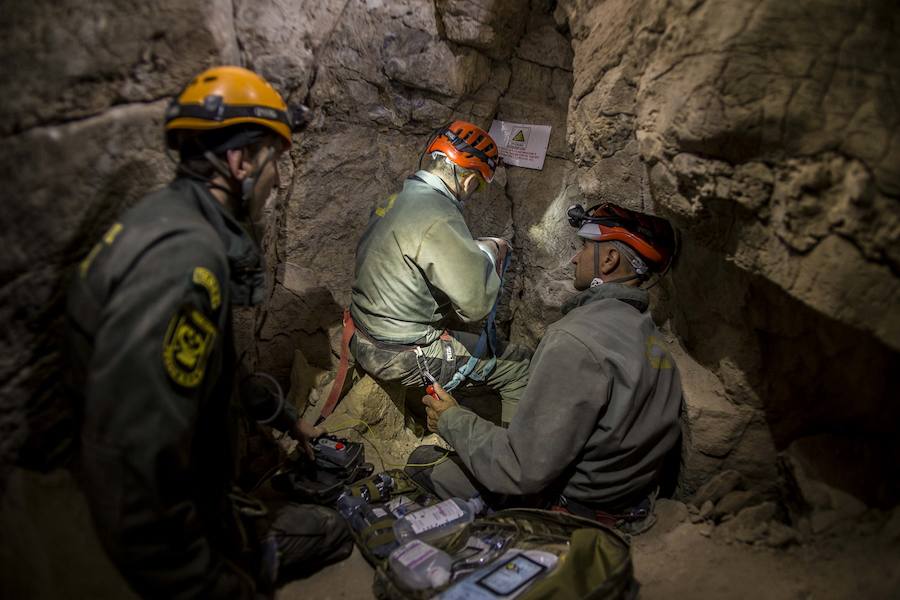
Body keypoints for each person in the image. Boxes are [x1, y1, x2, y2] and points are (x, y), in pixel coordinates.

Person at [65, 66, 352, 599]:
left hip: (196, 492)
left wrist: (288, 419)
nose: (276, 182)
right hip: (160, 522)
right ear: (239, 161)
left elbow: (200, 364)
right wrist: (208, 584)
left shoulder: (162, 218)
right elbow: (132, 463)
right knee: (329, 534)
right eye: (274, 163)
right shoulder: (186, 260)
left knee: (326, 527)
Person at [408, 203, 683, 532]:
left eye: (584, 247)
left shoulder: (574, 339)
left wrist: (451, 419)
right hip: (626, 501)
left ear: (609, 260)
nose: (575, 258)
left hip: (571, 509)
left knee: (422, 462)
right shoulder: (652, 342)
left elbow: (520, 470)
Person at [344, 120, 531, 425]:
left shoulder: (396, 197)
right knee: (520, 364)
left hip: (361, 333)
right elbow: (476, 307)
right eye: (478, 186)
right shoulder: (439, 213)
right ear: (470, 180)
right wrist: (488, 252)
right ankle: (509, 456)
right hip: (396, 355)